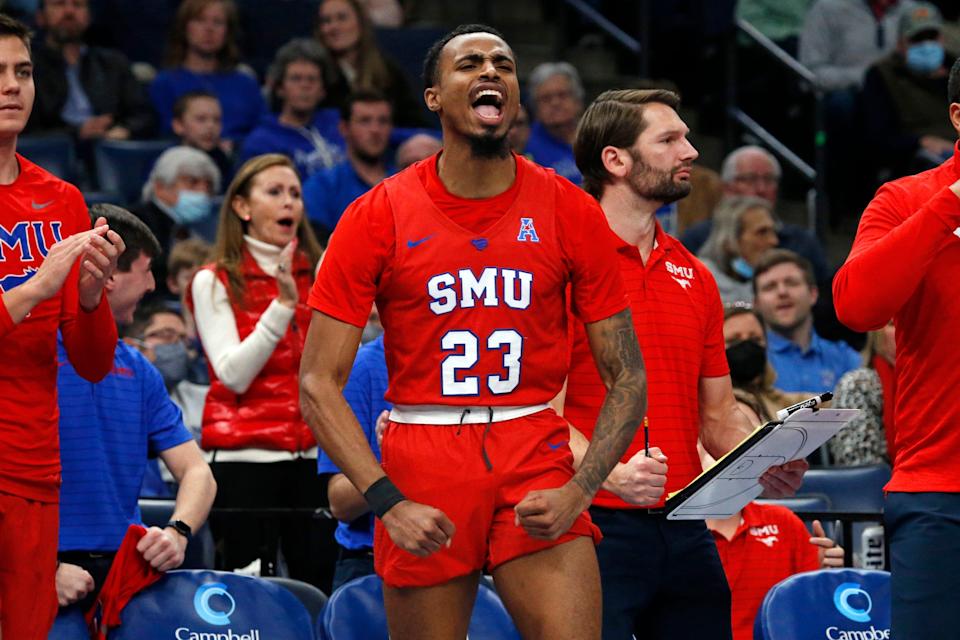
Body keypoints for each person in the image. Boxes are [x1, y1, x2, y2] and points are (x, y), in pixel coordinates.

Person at [300, 24, 647, 640]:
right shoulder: (375, 214)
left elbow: (627, 374)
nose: (491, 71)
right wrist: (387, 501)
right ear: (434, 97)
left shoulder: (570, 209)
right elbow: (317, 383)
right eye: (470, 64)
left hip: (533, 443)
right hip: (423, 452)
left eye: (504, 64)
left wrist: (580, 489)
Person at [565, 88, 806, 640]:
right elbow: (538, 411)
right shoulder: (565, 264)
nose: (691, 151)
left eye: (688, 137)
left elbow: (719, 414)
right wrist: (614, 474)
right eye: (670, 139)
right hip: (590, 518)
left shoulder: (694, 275)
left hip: (683, 521)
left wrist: (762, 458)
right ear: (616, 160)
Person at [0, 14, 124, 638]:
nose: (12, 86)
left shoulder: (62, 200)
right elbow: (34, 296)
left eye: (21, 71)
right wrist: (39, 288)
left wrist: (93, 294)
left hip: (32, 459)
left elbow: (94, 362)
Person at [832, 56, 960, 637]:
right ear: (958, 117)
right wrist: (951, 203)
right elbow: (857, 306)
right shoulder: (907, 200)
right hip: (941, 491)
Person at [55, 203, 216, 612]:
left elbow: (198, 472)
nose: (150, 287)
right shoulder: (25, 358)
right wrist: (39, 566)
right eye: (146, 271)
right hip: (40, 569)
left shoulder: (139, 370)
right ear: (107, 274)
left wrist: (177, 532)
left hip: (125, 573)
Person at [188, 153, 328, 587]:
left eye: (295, 194)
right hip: (243, 461)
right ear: (243, 208)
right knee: (246, 596)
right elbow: (232, 374)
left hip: (314, 458)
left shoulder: (324, 270)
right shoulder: (214, 280)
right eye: (275, 192)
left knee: (320, 586)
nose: (289, 203)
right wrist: (282, 307)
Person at [703, 395, 843, 640]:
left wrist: (822, 576)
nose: (731, 448)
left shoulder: (784, 523)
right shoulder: (671, 532)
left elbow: (813, 614)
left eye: (747, 439)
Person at [680, 146, 830, 288]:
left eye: (769, 179)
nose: (761, 189)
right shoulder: (697, 238)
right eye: (750, 179)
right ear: (727, 188)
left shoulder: (802, 242)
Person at [317, 334, 388, 590]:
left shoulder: (465, 365)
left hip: (461, 558)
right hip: (371, 566)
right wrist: (394, 462)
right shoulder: (362, 369)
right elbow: (340, 502)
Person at [28, 0, 154, 140]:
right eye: (59, 4)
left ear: (88, 17)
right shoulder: (27, 66)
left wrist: (125, 130)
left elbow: (144, 115)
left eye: (78, 5)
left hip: (108, 147)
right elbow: (27, 126)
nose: (69, 12)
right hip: (51, 152)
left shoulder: (113, 63)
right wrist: (76, 132)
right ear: (40, 17)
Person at [862, 2, 958, 178]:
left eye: (932, 37)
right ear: (900, 45)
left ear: (942, 39)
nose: (927, 45)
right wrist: (920, 142)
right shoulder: (882, 75)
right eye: (917, 39)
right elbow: (878, 139)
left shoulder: (955, 69)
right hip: (918, 162)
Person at [150, 0, 265, 141]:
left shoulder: (246, 83)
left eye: (218, 22)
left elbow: (263, 131)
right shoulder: (165, 83)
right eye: (200, 20)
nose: (209, 29)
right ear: (184, 27)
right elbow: (165, 136)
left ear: (228, 32)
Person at [753, 249, 860, 392]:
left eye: (791, 283)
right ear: (756, 304)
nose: (782, 292)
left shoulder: (846, 359)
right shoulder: (749, 362)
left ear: (813, 294)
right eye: (770, 287)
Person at [238, 39, 344, 179]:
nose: (305, 86)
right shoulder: (262, 142)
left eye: (312, 79)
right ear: (280, 88)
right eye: (296, 79)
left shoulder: (341, 124)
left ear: (322, 90)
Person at [315, 0, 427, 127]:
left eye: (342, 18)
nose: (334, 27)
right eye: (326, 21)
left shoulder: (385, 69)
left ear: (361, 22)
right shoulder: (315, 72)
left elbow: (415, 123)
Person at [303, 89, 393, 239]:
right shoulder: (322, 185)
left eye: (383, 121)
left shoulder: (405, 182)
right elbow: (315, 246)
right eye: (365, 121)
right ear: (344, 128)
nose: (375, 130)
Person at [132, 146, 221, 291]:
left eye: (208, 186)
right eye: (192, 182)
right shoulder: (136, 223)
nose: (203, 192)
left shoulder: (203, 227)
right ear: (160, 187)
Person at [723, 303, 807, 421]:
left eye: (755, 339)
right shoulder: (714, 408)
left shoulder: (770, 397)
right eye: (734, 341)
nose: (746, 346)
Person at [830, 324, 895, 466]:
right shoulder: (858, 386)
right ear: (877, 334)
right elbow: (861, 474)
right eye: (894, 324)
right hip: (887, 485)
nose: (906, 331)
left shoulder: (943, 385)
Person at [698, 195, 779, 303]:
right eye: (762, 232)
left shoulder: (779, 277)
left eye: (773, 231)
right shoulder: (699, 282)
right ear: (729, 240)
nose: (774, 241)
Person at [524, 61, 584, 184]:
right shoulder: (524, 143)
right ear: (535, 108)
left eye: (562, 95)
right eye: (546, 98)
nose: (555, 103)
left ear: (578, 100)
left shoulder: (598, 135)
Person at [171, 90, 233, 185]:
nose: (210, 126)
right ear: (178, 125)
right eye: (201, 119)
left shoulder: (223, 160)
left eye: (216, 120)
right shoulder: (169, 162)